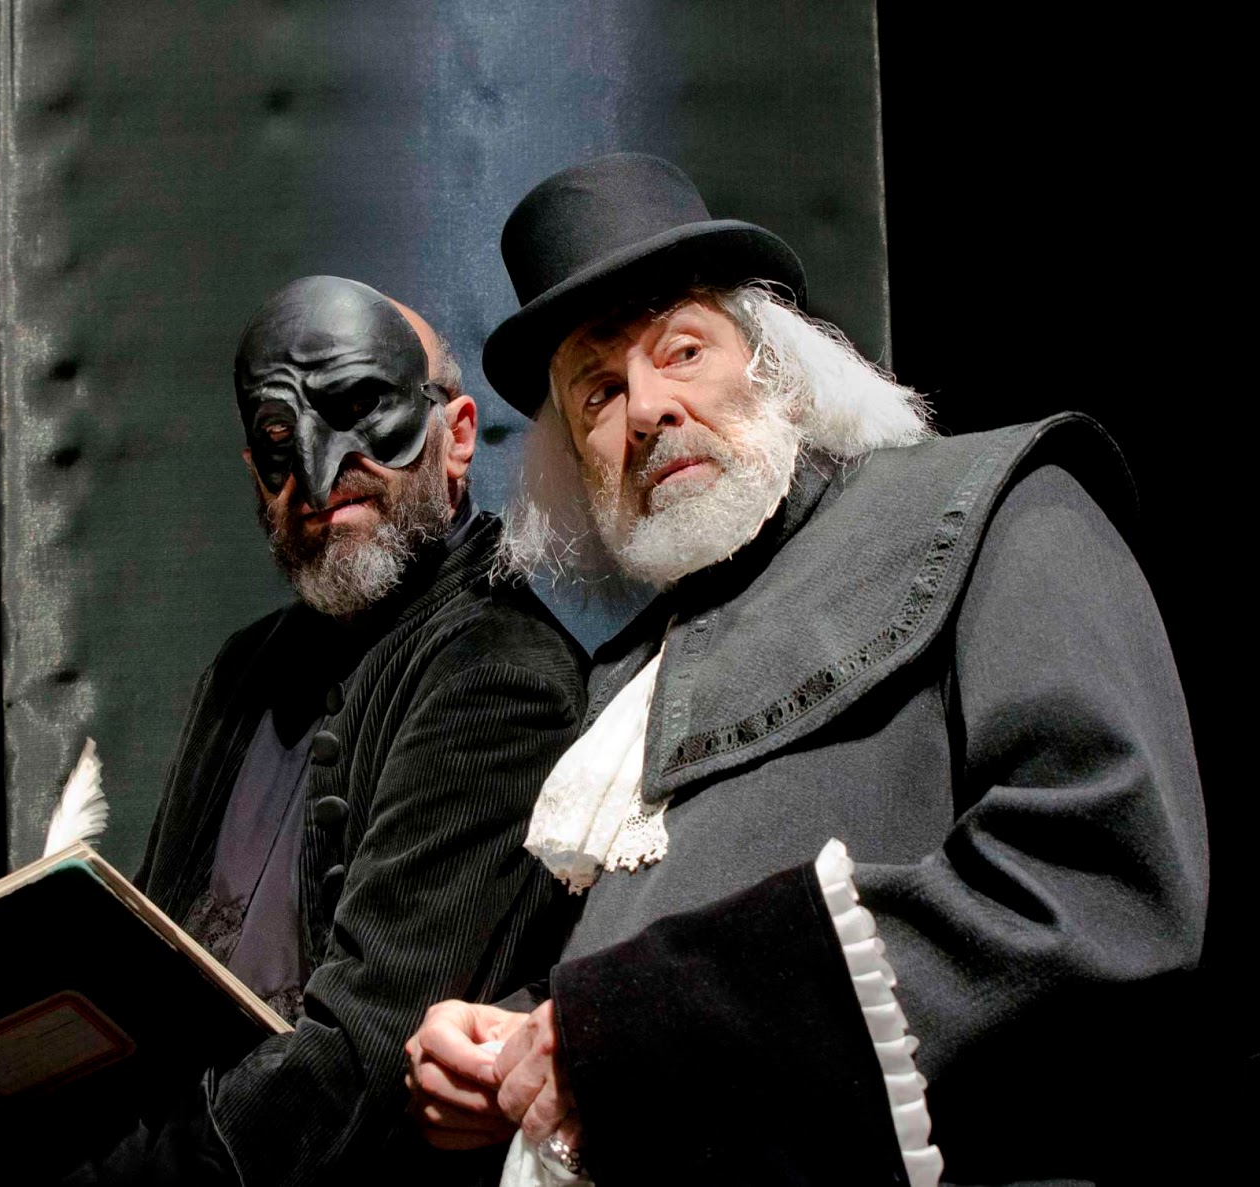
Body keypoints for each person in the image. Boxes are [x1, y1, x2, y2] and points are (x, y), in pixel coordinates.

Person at [406, 153, 1208, 1185]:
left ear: (773, 359)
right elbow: (612, 982)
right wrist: (510, 1038)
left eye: (681, 349)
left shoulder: (999, 502)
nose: (646, 408)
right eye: (598, 391)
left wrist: (632, 1032)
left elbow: (1104, 881)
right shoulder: (622, 682)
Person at [71, 275, 587, 1184]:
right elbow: (151, 967)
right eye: (279, 441)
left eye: (360, 410)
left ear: (458, 434)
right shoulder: (246, 668)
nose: (316, 471)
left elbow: (358, 1061)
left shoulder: (500, 670)